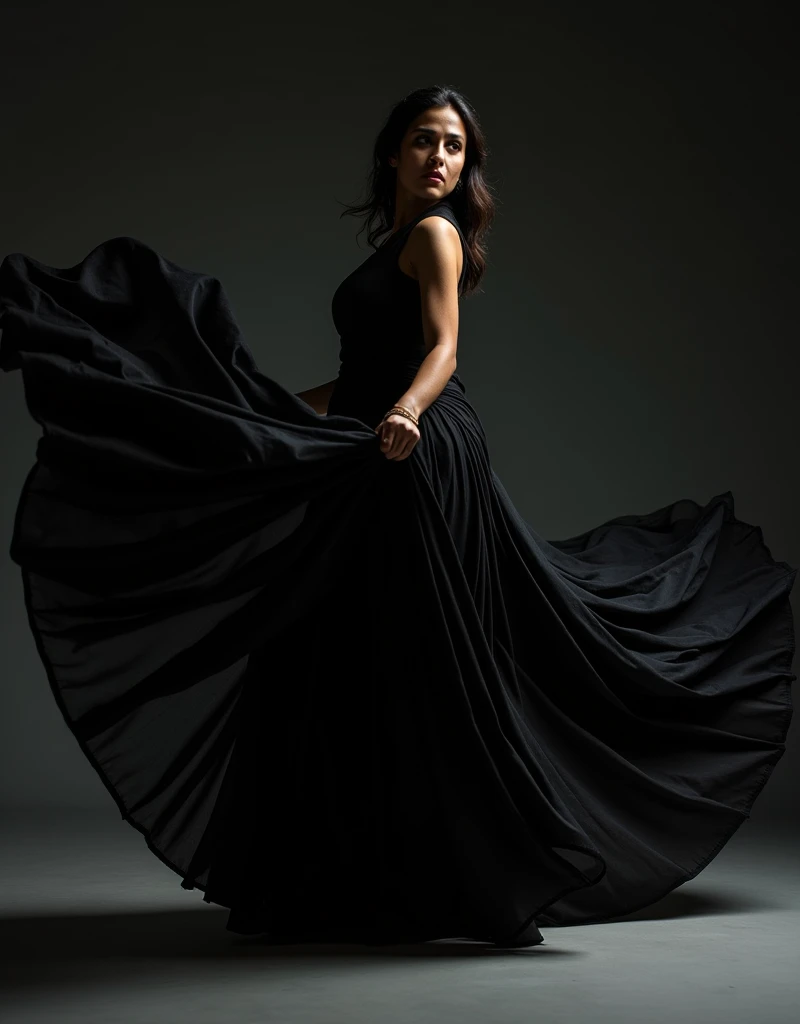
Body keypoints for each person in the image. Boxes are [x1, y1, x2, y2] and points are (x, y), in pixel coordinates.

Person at [0, 85, 795, 950]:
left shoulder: (434, 234)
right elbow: (358, 376)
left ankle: (450, 878)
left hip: (421, 448)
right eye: (426, 141)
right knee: (345, 652)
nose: (442, 160)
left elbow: (443, 350)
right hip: (373, 439)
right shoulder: (393, 243)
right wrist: (261, 413)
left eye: (456, 147)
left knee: (409, 655)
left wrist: (411, 411)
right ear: (392, 154)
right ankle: (358, 879)